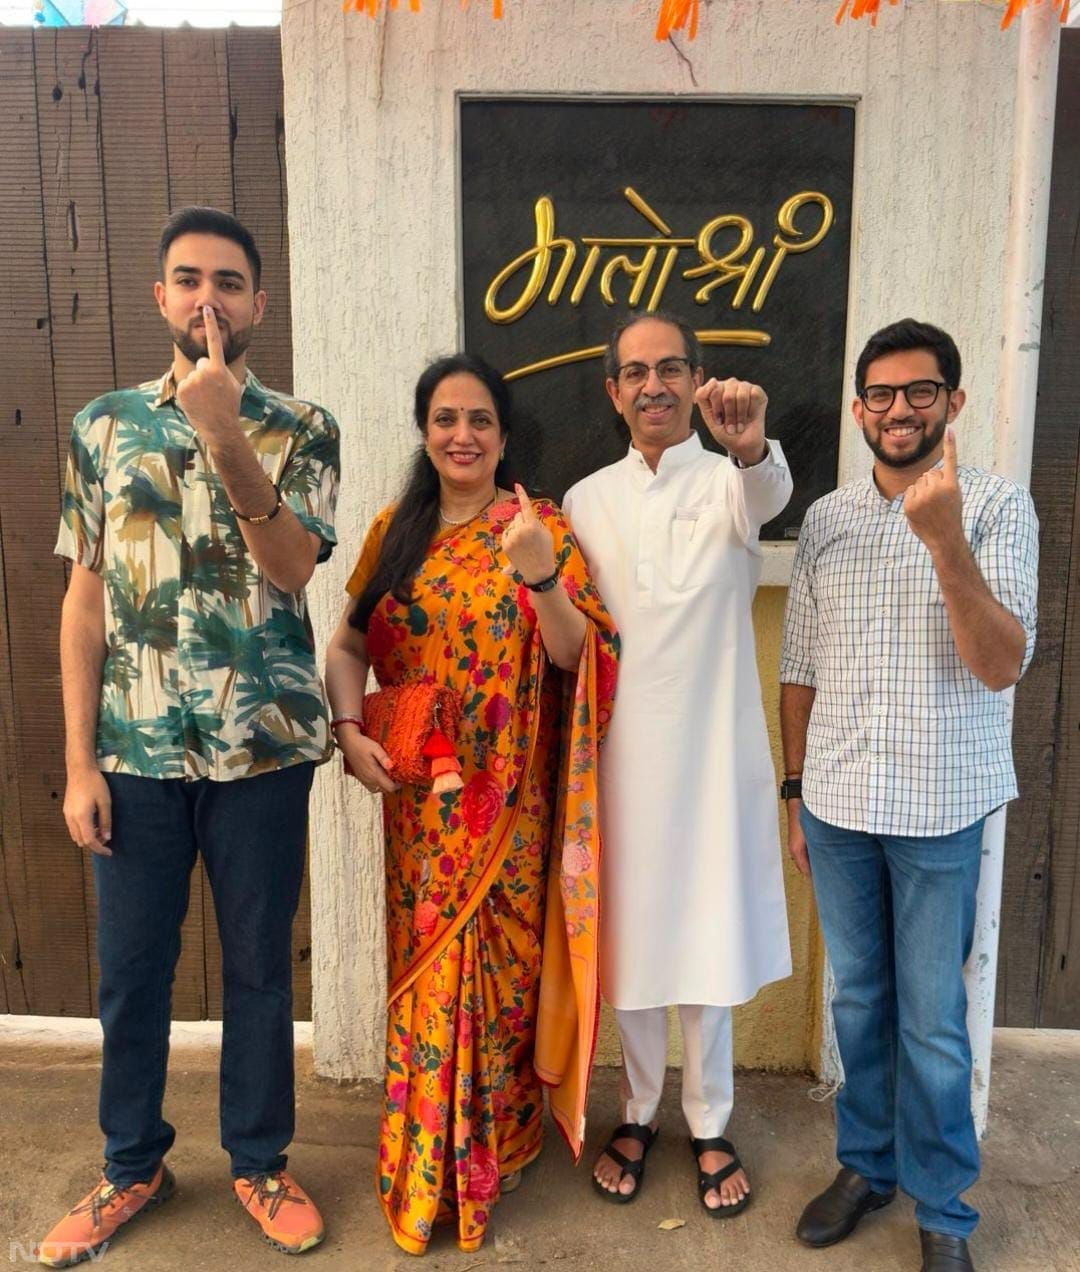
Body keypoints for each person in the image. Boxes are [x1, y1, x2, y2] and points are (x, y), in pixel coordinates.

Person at [40, 207, 340, 1267]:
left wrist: (221, 427)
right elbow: (82, 603)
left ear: (259, 302)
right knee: (131, 972)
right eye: (186, 279)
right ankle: (133, 1166)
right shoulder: (105, 427)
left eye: (227, 281)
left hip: (262, 752)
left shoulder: (303, 428)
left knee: (260, 968)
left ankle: (259, 1160)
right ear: (161, 297)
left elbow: (295, 569)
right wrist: (79, 761)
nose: (205, 297)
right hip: (135, 755)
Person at [324, 353, 619, 1256]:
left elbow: (582, 661)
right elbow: (345, 646)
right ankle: (425, 1161)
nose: (463, 435)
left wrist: (537, 577)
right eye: (446, 418)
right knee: (429, 981)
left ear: (502, 433)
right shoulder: (393, 532)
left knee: (499, 985)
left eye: (480, 420)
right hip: (419, 806)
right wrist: (346, 730)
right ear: (425, 430)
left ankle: (495, 1150)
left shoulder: (540, 529)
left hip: (509, 807)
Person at [779, 319, 1039, 1272]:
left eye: (920, 392)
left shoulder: (999, 510)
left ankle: (944, 1211)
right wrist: (793, 793)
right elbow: (800, 665)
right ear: (858, 411)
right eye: (881, 395)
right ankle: (867, 1167)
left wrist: (944, 541)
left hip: (939, 813)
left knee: (933, 1023)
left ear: (953, 403)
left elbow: (1002, 663)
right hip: (839, 807)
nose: (900, 410)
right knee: (858, 1005)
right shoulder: (829, 520)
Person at [563, 311, 793, 1215]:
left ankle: (709, 1122)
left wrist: (749, 445)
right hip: (619, 762)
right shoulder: (583, 501)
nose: (652, 386)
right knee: (631, 940)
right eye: (635, 372)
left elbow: (768, 490)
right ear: (612, 389)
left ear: (696, 381)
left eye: (671, 370)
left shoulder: (732, 480)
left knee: (706, 937)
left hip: (711, 757)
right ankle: (639, 1108)